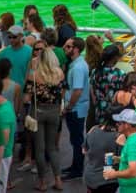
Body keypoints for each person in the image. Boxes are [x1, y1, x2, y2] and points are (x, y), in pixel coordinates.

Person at [26, 44, 64, 191]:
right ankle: (58, 180)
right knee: (52, 148)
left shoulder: (34, 75)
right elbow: (62, 93)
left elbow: (26, 98)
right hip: (54, 112)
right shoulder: (60, 73)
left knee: (39, 150)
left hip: (38, 112)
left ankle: (42, 182)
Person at [103, 109, 136, 192]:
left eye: (119, 123)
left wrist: (113, 174)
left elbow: (134, 171)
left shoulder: (134, 142)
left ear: (127, 125)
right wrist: (119, 159)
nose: (116, 124)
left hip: (134, 189)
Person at [61, 37, 89, 180]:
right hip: (77, 107)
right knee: (75, 139)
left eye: (68, 46)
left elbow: (77, 90)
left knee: (77, 140)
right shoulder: (78, 64)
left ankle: (77, 169)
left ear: (76, 49)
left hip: (76, 108)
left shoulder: (78, 67)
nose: (65, 48)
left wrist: (68, 107)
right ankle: (75, 165)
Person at [83, 106, 122, 193]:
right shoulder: (119, 137)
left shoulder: (93, 129)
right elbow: (123, 160)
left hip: (90, 177)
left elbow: (84, 150)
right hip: (108, 180)